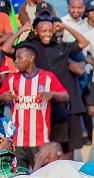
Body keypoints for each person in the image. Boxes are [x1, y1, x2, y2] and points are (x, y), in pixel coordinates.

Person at [2, 14, 89, 160]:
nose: (47, 33)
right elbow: (6, 48)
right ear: (36, 31)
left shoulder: (62, 47)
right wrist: (23, 29)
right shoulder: (30, 48)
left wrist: (64, 26)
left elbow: (84, 42)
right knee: (39, 155)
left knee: (64, 149)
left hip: (60, 106)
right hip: (37, 114)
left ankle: (63, 174)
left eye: (50, 30)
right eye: (43, 30)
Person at [0, 41, 68, 169]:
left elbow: (65, 96)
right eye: (15, 58)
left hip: (40, 141)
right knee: (19, 176)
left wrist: (52, 94)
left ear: (31, 58)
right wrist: (2, 98)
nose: (16, 61)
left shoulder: (47, 77)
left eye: (19, 57)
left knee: (40, 176)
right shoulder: (12, 79)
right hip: (17, 141)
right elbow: (1, 97)